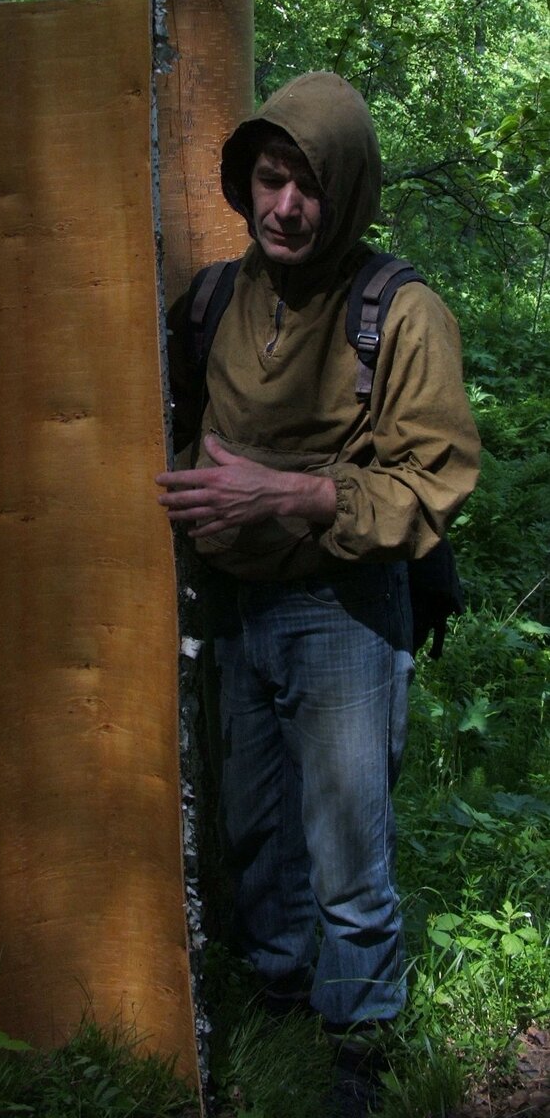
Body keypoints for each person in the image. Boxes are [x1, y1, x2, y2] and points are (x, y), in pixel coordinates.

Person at [155, 72, 480, 1107]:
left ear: (347, 194)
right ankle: (283, 999)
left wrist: (286, 495)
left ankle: (362, 1045)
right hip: (231, 607)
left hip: (342, 611)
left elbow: (431, 482)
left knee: (345, 846)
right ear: (244, 183)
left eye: (308, 186)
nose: (286, 207)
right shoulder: (215, 298)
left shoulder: (400, 312)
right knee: (255, 831)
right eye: (269, 179)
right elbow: (165, 425)